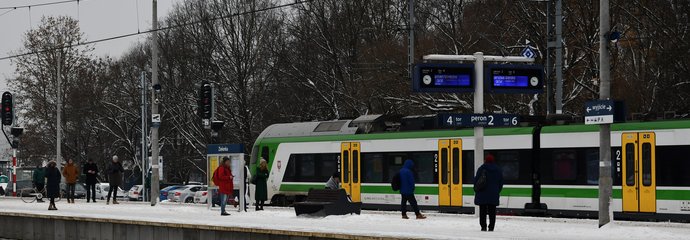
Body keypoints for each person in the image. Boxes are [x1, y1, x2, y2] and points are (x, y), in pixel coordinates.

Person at [474, 154, 504, 232]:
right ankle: (491, 227)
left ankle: (483, 227)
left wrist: (477, 189)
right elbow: (501, 183)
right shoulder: (498, 170)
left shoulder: (481, 168)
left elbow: (476, 180)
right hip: (493, 194)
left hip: (482, 194)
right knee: (492, 212)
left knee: (482, 211)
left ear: (485, 160)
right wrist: (497, 191)